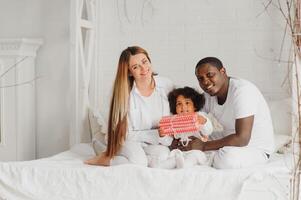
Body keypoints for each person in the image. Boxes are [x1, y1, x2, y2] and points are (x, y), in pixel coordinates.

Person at [176, 57, 275, 169]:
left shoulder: (242, 91)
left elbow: (242, 138)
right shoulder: (209, 95)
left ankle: (205, 156)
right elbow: (193, 118)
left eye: (210, 75)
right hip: (228, 138)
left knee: (227, 159)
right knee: (190, 140)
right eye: (200, 79)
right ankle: (201, 155)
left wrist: (203, 146)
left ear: (222, 72)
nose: (205, 82)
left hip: (254, 149)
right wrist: (181, 138)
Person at [84, 46, 174, 166]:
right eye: (135, 67)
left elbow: (172, 122)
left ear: (149, 60)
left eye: (144, 61)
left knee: (163, 155)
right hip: (125, 140)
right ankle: (102, 157)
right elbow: (126, 134)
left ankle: (129, 157)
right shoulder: (122, 93)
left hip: (153, 142)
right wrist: (156, 134)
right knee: (139, 161)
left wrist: (162, 136)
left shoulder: (167, 85)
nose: (144, 69)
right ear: (129, 72)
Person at [148, 87, 213, 169]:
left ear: (195, 106)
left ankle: (184, 166)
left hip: (195, 151)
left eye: (187, 103)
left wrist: (204, 122)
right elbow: (168, 142)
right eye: (179, 104)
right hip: (179, 151)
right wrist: (163, 135)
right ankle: (157, 165)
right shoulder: (173, 120)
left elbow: (208, 131)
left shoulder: (200, 116)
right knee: (170, 159)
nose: (183, 107)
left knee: (192, 157)